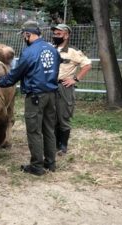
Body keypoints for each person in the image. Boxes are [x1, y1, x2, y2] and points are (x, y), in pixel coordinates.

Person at [0, 20, 60, 176]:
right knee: (48, 129)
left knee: (34, 131)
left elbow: (16, 74)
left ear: (28, 34)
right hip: (52, 95)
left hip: (35, 96)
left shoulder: (29, 52)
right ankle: (50, 163)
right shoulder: (52, 50)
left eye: (24, 36)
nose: (23, 38)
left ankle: (36, 166)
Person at [51, 24, 92, 155]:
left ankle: (63, 146)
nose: (55, 36)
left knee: (63, 116)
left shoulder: (73, 51)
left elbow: (87, 65)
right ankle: (53, 144)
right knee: (51, 116)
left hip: (64, 87)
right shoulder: (50, 48)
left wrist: (76, 79)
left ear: (66, 35)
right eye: (55, 33)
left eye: (59, 34)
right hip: (49, 86)